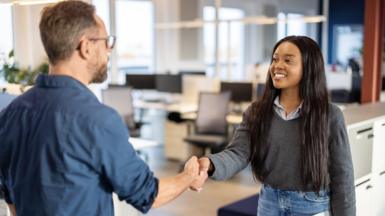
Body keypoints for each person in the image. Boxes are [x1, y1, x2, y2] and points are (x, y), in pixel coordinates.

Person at [0, 1, 201, 215]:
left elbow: (9, 196)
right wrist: (188, 175)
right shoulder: (98, 120)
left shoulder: (10, 114)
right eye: (106, 41)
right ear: (86, 47)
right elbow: (148, 194)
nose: (109, 49)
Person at [191, 36, 356, 216]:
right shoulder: (256, 112)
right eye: (275, 59)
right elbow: (238, 153)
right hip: (269, 202)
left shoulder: (330, 115)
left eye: (288, 60)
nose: (277, 65)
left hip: (311, 205)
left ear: (309, 67)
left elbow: (343, 176)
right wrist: (210, 163)